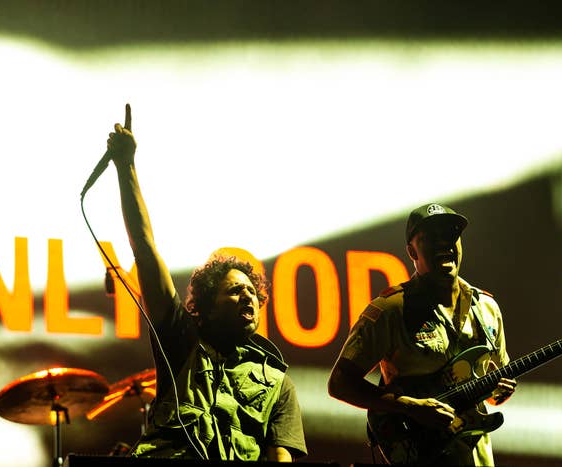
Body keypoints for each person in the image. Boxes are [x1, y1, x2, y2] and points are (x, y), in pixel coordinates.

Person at [104, 104, 307, 462]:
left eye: (251, 292)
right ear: (207, 308)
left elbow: (281, 458)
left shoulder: (279, 383)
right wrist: (126, 166)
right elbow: (146, 249)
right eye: (234, 291)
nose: (248, 297)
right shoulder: (181, 341)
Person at [328, 203, 516, 466]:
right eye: (431, 238)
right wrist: (409, 406)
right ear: (411, 251)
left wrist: (497, 391)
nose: (444, 244)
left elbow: (495, 392)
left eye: (451, 235)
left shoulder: (486, 308)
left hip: (477, 454)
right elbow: (340, 383)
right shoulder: (391, 309)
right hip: (419, 453)